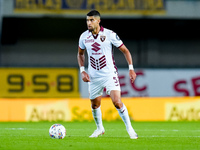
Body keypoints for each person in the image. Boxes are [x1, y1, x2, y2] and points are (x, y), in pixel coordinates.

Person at [77, 10, 138, 139]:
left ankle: (130, 129)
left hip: (109, 74)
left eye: (92, 20)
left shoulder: (110, 34)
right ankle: (99, 128)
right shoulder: (83, 37)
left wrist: (131, 68)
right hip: (93, 76)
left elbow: (125, 51)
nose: (89, 23)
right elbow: (80, 54)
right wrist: (82, 70)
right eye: (87, 20)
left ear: (98, 21)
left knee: (117, 102)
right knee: (94, 104)